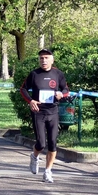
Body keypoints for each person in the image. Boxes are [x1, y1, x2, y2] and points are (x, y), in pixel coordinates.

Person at [20, 49, 69, 183]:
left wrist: (61, 94)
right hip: (38, 112)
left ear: (52, 60)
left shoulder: (58, 74)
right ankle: (35, 157)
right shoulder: (34, 74)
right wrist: (31, 101)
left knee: (53, 143)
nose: (44, 61)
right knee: (41, 143)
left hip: (53, 111)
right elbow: (22, 89)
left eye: (46, 58)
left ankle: (48, 171)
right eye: (41, 58)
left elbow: (66, 89)